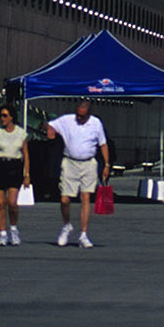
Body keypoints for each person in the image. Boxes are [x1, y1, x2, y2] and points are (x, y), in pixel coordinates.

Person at [46, 97, 109, 247]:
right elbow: (49, 125)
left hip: (88, 163)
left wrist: (106, 164)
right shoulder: (67, 120)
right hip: (70, 162)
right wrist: (51, 131)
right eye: (77, 115)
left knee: (85, 197)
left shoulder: (96, 123)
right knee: (65, 199)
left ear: (88, 115)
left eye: (82, 116)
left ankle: (83, 234)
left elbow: (103, 144)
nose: (79, 118)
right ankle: (67, 225)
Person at [0, 103, 30, 246]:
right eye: (1, 115)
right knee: (0, 203)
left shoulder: (21, 133)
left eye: (5, 115)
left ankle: (14, 229)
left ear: (11, 117)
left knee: (12, 203)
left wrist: (27, 174)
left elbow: (26, 154)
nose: (2, 118)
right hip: (0, 166)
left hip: (14, 166)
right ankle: (2, 233)